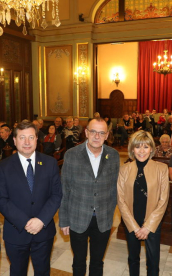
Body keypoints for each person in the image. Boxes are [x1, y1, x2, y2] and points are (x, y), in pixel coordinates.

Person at [0, 121, 62, 276]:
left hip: (43, 231)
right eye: (22, 137)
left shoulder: (50, 163)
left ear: (37, 139)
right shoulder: (3, 166)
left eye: (31, 137)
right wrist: (24, 222)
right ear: (14, 140)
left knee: (42, 271)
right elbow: (1, 199)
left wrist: (41, 220)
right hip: (16, 232)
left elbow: (56, 194)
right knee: (17, 271)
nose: (27, 142)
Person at [59, 117, 120, 276]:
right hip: (77, 217)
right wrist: (64, 220)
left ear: (107, 135)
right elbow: (65, 189)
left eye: (101, 133)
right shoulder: (71, 155)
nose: (97, 136)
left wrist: (110, 213)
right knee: (78, 262)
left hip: (103, 219)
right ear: (86, 132)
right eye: (93, 131)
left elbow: (115, 187)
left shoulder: (113, 155)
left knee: (97, 262)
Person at [117, 130, 169, 276]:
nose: (141, 151)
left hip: (152, 222)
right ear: (132, 149)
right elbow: (120, 200)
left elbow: (163, 200)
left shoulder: (161, 168)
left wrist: (148, 226)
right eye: (137, 146)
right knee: (133, 258)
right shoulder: (124, 169)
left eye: (145, 147)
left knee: (153, 261)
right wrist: (134, 226)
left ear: (151, 148)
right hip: (130, 221)